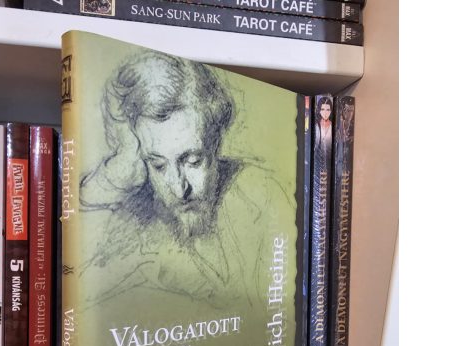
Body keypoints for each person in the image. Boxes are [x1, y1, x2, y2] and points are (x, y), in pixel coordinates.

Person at [77, 51, 292, 310]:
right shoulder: (134, 223)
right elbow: (79, 295)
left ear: (215, 144)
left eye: (192, 160)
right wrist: (119, 167)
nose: (179, 188)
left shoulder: (262, 195)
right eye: (158, 165)